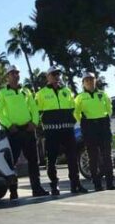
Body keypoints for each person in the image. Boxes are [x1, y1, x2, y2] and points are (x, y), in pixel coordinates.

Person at [0, 65, 49, 199]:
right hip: (13, 131)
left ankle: (37, 188)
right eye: (12, 73)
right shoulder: (1, 93)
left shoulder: (26, 91)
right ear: (7, 76)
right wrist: (8, 125)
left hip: (28, 129)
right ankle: (13, 191)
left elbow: (34, 109)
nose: (15, 75)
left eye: (17, 73)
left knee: (33, 161)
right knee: (11, 162)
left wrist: (34, 122)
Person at [35, 66, 88, 195]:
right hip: (51, 131)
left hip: (67, 130)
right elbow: (37, 112)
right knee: (52, 159)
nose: (56, 77)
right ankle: (54, 185)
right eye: (53, 74)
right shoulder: (41, 94)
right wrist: (40, 126)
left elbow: (73, 109)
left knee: (72, 158)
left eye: (58, 74)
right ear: (48, 77)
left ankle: (75, 184)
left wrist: (74, 121)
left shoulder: (67, 91)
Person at [74, 72, 115, 191]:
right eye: (86, 80)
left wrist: (106, 117)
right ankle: (97, 184)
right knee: (93, 156)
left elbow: (109, 108)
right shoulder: (80, 97)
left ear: (95, 80)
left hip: (103, 125)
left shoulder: (103, 94)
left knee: (107, 156)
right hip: (89, 127)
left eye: (91, 79)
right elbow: (76, 112)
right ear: (83, 83)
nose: (89, 81)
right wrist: (84, 122)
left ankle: (110, 182)